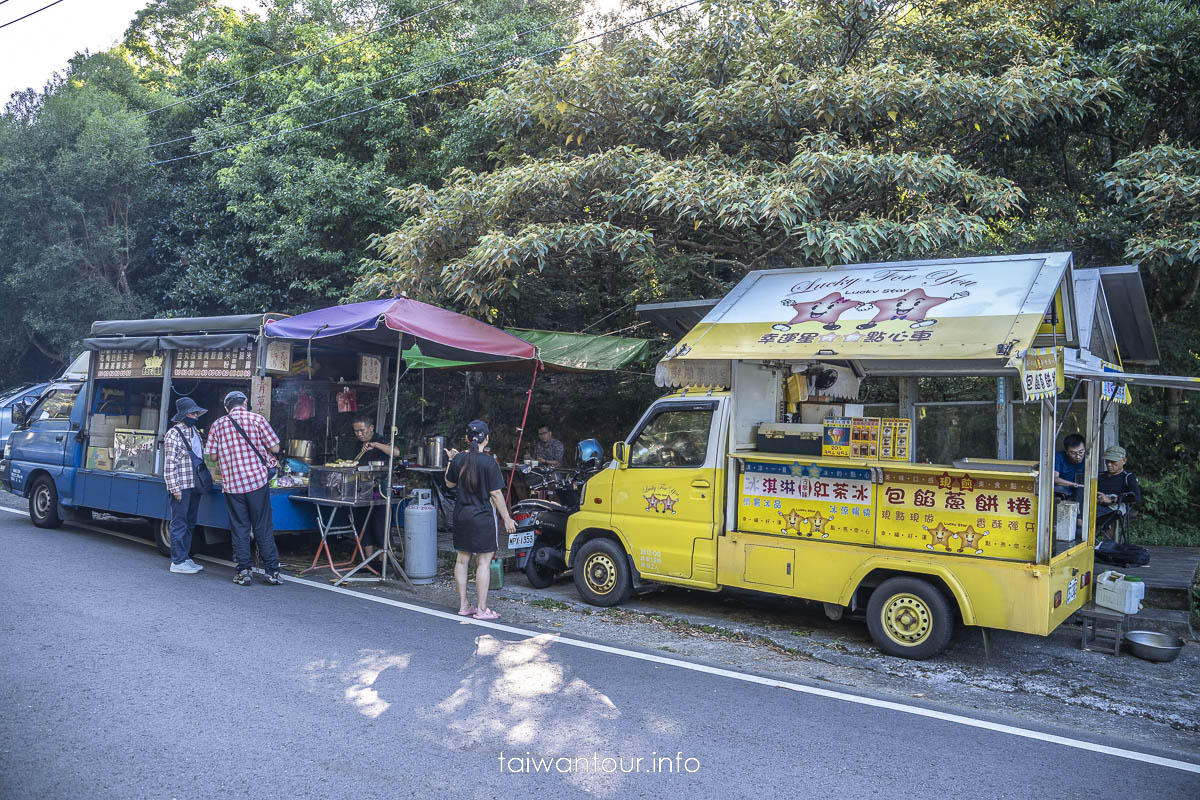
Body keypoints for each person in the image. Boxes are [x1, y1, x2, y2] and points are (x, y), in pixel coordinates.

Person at [205, 390, 283, 586]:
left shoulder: (218, 424)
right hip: (257, 481)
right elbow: (275, 449)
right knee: (262, 526)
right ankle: (272, 572)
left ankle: (243, 571)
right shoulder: (257, 419)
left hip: (232, 485)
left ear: (226, 408)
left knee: (239, 527)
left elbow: (212, 457)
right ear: (245, 403)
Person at [445, 419, 516, 620]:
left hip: (461, 515)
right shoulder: (489, 462)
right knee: (483, 562)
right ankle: (482, 609)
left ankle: (464, 605)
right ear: (487, 438)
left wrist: (451, 460)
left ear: (467, 439)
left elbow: (449, 484)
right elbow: (496, 493)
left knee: (462, 560)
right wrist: (507, 519)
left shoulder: (458, 459)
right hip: (483, 518)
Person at [163, 397, 208, 574]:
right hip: (181, 484)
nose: (195, 415)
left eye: (196, 412)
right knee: (179, 523)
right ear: (183, 415)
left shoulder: (195, 431)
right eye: (192, 412)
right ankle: (177, 561)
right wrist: (175, 489)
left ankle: (185, 556)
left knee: (190, 522)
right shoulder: (173, 434)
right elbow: (170, 464)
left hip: (194, 483)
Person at [351, 415, 400, 559]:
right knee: (363, 523)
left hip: (380, 488)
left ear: (371, 428)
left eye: (362, 430)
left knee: (380, 523)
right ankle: (369, 561)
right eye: (356, 431)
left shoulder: (382, 439)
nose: (359, 434)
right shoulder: (357, 444)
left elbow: (396, 452)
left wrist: (375, 444)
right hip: (362, 487)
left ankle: (382, 561)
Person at [1095, 445, 1141, 540]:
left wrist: (1112, 499)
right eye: (1107, 461)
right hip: (1095, 503)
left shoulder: (1128, 477)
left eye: (1113, 461)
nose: (1109, 464)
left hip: (1113, 508)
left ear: (1123, 461)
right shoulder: (1100, 475)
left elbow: (1136, 496)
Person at [1053, 433, 1087, 501]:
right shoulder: (1059, 457)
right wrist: (1074, 484)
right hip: (1063, 493)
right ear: (1067, 452)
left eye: (1081, 452)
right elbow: (1054, 479)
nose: (1078, 456)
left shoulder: (1088, 459)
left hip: (1082, 494)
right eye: (1073, 453)